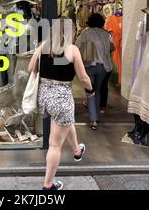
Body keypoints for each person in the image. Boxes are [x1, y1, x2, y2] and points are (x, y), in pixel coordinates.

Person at [28, 18, 93, 191]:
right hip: (62, 99)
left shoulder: (43, 46)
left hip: (45, 98)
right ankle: (48, 185)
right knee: (55, 145)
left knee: (64, 121)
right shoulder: (72, 50)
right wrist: (91, 90)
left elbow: (30, 68)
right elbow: (84, 78)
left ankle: (77, 150)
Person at [75, 13, 114, 130]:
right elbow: (112, 48)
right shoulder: (106, 34)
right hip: (103, 67)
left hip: (89, 66)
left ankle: (93, 120)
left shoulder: (85, 33)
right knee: (97, 90)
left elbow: (77, 47)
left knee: (90, 92)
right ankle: (95, 116)